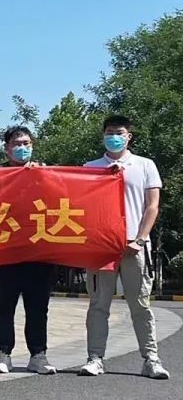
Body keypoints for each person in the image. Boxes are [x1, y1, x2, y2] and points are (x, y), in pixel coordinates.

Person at [78, 116, 170, 379]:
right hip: (102, 249)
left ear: (129, 136)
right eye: (109, 132)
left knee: (140, 305)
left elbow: (152, 206)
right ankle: (95, 358)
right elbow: (82, 207)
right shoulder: (90, 168)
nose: (113, 137)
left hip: (135, 247)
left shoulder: (144, 165)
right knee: (98, 305)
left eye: (119, 132)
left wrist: (139, 239)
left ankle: (151, 359)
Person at [0, 126, 56, 375]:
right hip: (3, 252)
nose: (22, 147)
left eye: (26, 143)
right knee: (3, 307)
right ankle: (3, 354)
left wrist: (44, 175)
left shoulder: (44, 174)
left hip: (38, 251)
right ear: (7, 149)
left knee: (37, 307)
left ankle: (38, 355)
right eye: (17, 144)